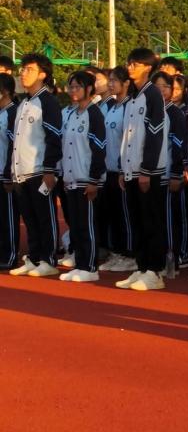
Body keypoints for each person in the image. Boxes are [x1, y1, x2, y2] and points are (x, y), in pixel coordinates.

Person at [116, 48, 168, 292]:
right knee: (136, 221)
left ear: (148, 68)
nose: (130, 67)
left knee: (151, 222)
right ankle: (142, 265)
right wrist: (123, 168)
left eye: (135, 64)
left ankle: (155, 271)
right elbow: (127, 137)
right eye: (129, 63)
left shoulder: (152, 94)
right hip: (131, 169)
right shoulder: (133, 97)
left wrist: (146, 169)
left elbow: (155, 135)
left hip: (148, 171)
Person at [8, 54, 62, 278]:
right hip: (21, 172)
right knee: (29, 218)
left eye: (29, 69)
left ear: (42, 74)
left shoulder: (47, 102)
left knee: (44, 217)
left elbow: (54, 137)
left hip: (39, 171)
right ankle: (34, 257)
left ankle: (48, 259)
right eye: (22, 69)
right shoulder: (23, 103)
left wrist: (49, 169)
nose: (23, 73)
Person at [58, 71, 106, 283]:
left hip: (87, 179)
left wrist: (94, 179)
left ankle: (90, 267)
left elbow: (99, 149)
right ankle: (80, 264)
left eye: (77, 86)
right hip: (71, 178)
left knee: (87, 225)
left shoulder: (94, 114)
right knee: (76, 226)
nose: (73, 91)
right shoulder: (71, 114)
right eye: (71, 87)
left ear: (89, 89)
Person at [97, 67, 135, 274]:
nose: (110, 84)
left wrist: (122, 167)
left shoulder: (130, 106)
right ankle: (117, 252)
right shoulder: (112, 106)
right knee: (113, 214)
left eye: (114, 81)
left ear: (126, 83)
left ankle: (130, 254)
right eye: (109, 80)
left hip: (122, 170)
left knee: (125, 215)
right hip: (108, 169)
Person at [152, 72, 188, 271]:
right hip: (151, 174)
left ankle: (175, 255)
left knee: (170, 217)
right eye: (156, 87)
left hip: (168, 174)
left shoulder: (174, 113)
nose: (160, 91)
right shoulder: (149, 110)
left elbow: (178, 145)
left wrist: (176, 173)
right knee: (155, 218)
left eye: (165, 87)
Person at [0, 73, 20, 270]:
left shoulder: (13, 112)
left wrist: (8, 173)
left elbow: (13, 145)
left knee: (8, 216)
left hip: (6, 174)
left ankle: (10, 254)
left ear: (5, 91)